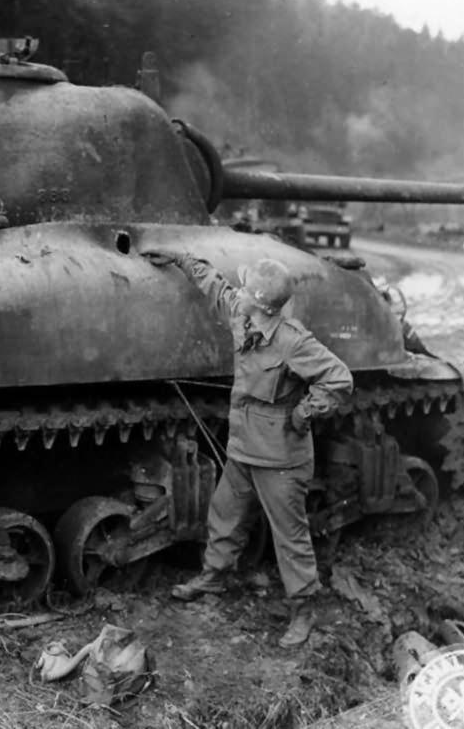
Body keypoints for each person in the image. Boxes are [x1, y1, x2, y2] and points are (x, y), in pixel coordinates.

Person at [146, 252, 353, 649]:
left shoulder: (292, 341)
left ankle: (304, 608)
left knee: (289, 536)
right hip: (243, 446)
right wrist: (182, 259)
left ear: (260, 302)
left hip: (281, 457)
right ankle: (214, 577)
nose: (237, 292)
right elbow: (216, 287)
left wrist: (305, 412)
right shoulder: (243, 314)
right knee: (224, 513)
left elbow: (338, 378)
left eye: (246, 288)